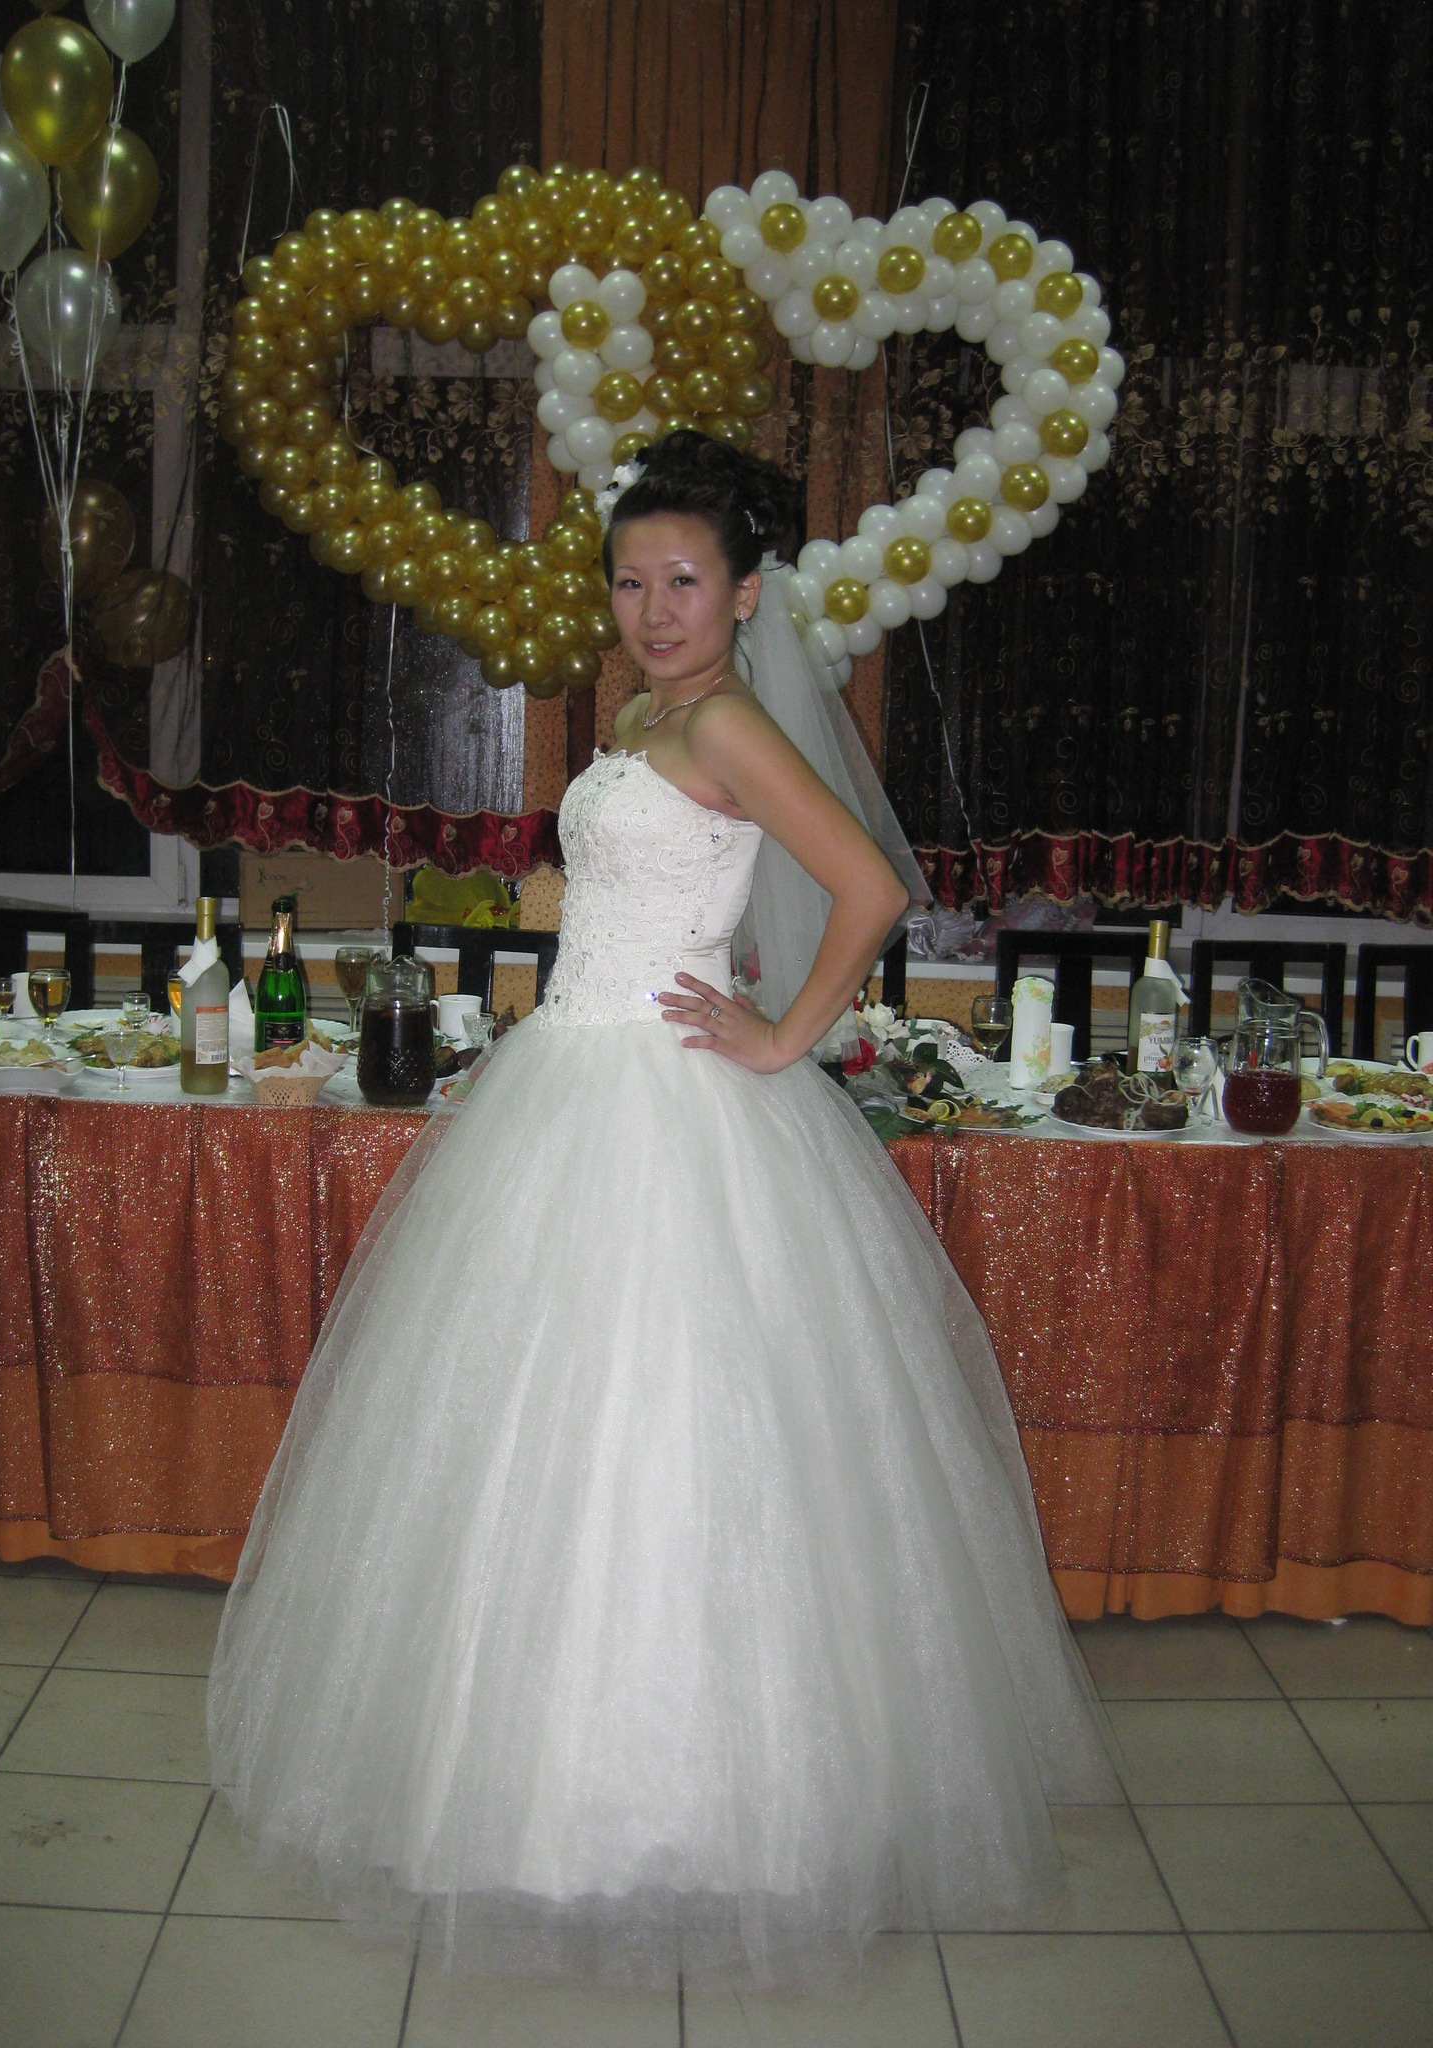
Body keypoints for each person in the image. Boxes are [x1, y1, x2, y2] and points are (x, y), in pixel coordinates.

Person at [207, 431, 1119, 1991]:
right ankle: (539, 1798)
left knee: (680, 1435)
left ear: (745, 593)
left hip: (669, 1100)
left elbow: (871, 890)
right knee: (534, 1441)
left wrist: (781, 1037)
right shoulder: (646, 714)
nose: (652, 609)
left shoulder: (732, 721)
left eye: (683, 581)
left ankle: (714, 1814)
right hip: (571, 1080)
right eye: (630, 583)